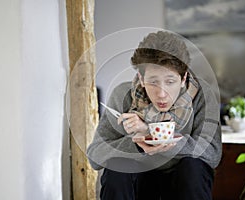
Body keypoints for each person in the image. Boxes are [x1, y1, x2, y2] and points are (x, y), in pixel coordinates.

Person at [87, 30, 222, 200]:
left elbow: (212, 153)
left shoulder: (202, 95)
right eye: (153, 82)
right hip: (139, 179)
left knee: (192, 167)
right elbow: (95, 155)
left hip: (182, 179)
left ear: (183, 79)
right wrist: (137, 144)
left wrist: (159, 137)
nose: (161, 94)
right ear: (141, 78)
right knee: (117, 165)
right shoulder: (123, 95)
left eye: (170, 82)